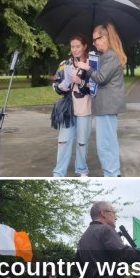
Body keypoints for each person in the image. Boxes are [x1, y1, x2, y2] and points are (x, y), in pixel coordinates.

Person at [75, 22, 126, 177]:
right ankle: (114, 172)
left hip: (107, 105)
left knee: (105, 144)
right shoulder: (105, 56)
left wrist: (87, 68)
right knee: (108, 142)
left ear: (106, 37)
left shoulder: (111, 56)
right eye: (93, 40)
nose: (95, 43)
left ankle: (111, 174)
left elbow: (101, 78)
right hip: (105, 106)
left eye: (97, 39)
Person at [52, 35, 93, 177]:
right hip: (67, 109)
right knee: (63, 141)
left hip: (85, 108)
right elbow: (55, 82)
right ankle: (59, 173)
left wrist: (80, 82)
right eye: (72, 46)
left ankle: (82, 170)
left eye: (78, 46)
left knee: (83, 142)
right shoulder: (65, 63)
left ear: (84, 46)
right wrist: (60, 87)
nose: (74, 49)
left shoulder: (91, 64)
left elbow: (96, 86)